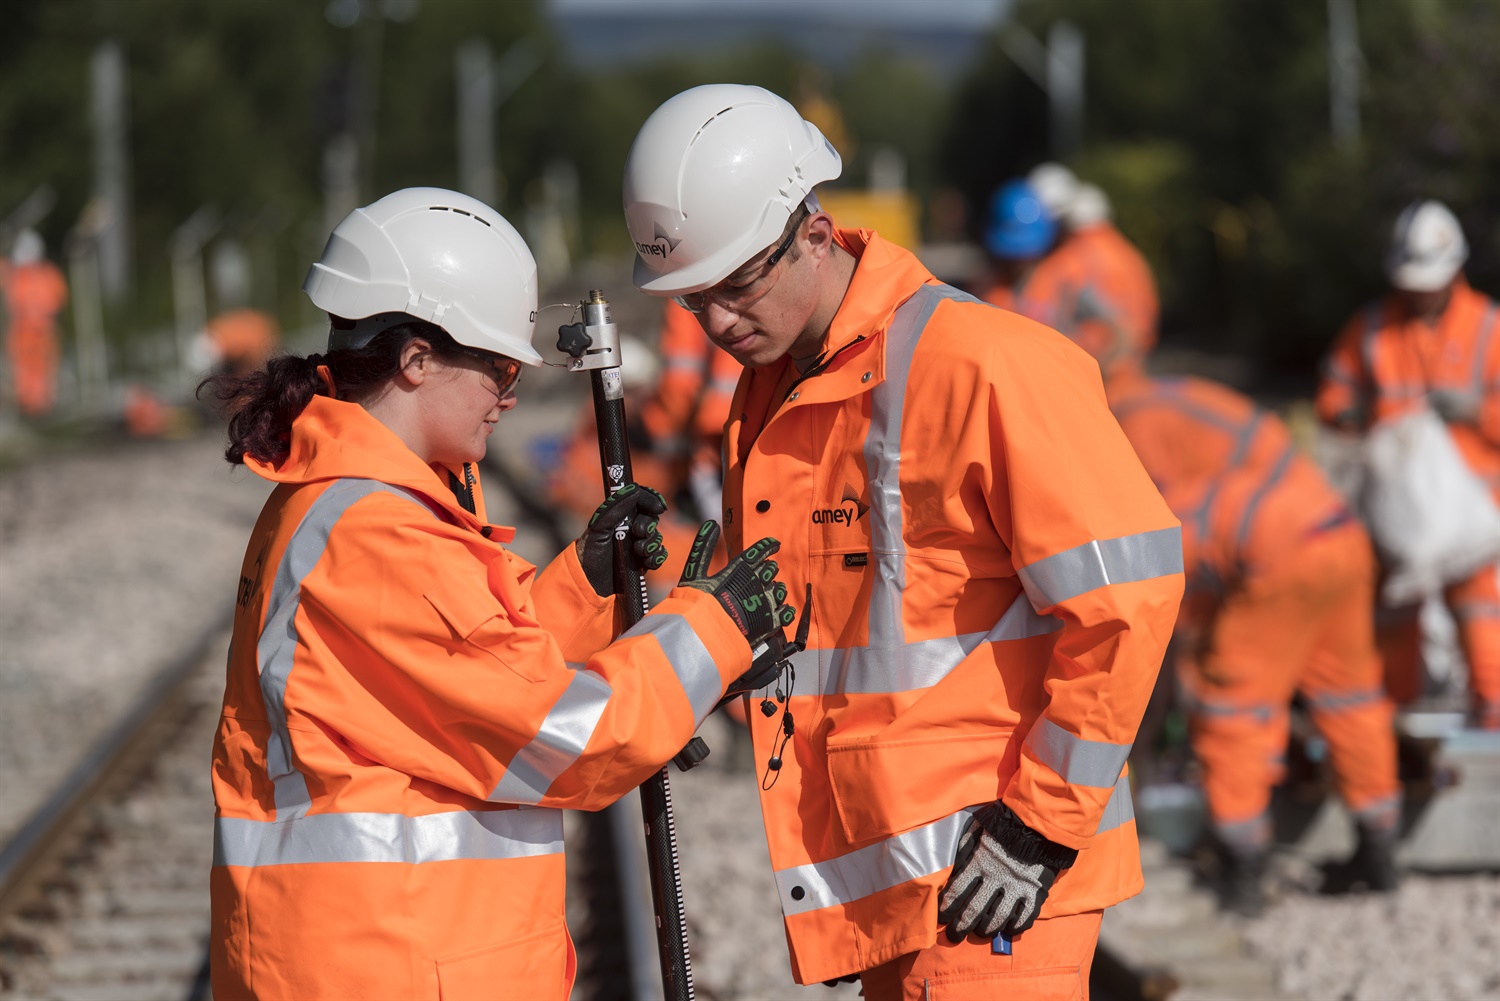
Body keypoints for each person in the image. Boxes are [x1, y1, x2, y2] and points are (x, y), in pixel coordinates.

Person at [623, 84, 1184, 998]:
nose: (718, 323)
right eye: (693, 301)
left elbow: (1132, 596)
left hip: (992, 889)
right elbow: (819, 627)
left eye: (735, 285)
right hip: (885, 886)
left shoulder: (986, 364)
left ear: (812, 230)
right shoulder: (768, 395)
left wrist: (1037, 826)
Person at [204, 187, 796, 1000]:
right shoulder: (378, 534)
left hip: (382, 955)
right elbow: (564, 738)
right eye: (497, 365)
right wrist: (716, 626)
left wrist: (584, 584)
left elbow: (460, 683)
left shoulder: (349, 502)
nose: (510, 392)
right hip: (387, 966)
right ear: (416, 360)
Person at [1104, 368, 1402, 912]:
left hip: (1278, 555)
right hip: (1337, 530)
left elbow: (1163, 643)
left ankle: (1243, 868)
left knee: (1228, 706)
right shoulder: (1184, 471)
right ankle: (1380, 848)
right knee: (1350, 695)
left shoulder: (1145, 528)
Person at [1317, 200, 1500, 730]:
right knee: (1391, 617)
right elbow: (1334, 391)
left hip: (1473, 513)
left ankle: (1492, 720)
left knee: (1481, 612)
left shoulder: (1488, 328)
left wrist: (1474, 411)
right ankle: (1392, 723)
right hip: (1397, 508)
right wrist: (1351, 412)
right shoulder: (1375, 327)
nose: (1421, 292)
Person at [2, 228, 68, 417]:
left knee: (43, 370)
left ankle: (41, 407)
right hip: (22, 332)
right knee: (24, 371)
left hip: (42, 332)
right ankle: (29, 407)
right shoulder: (14, 274)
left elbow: (58, 303)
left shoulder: (47, 275)